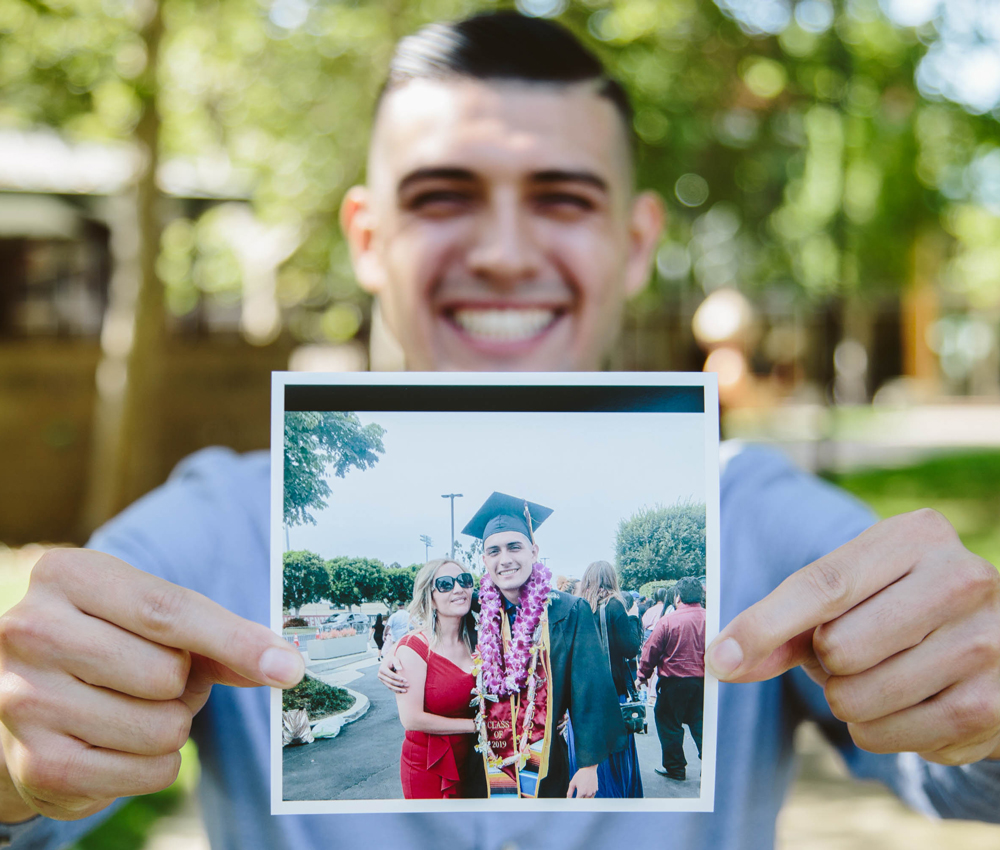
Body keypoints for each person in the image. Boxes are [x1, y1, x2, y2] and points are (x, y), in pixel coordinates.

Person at [0, 11, 997, 850]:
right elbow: (33, 806)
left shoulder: (762, 518)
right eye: (443, 196)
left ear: (637, 239)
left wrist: (979, 696)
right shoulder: (214, 525)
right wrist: (15, 759)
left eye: (562, 198)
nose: (506, 253)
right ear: (366, 237)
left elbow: (957, 780)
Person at [453, 492, 624, 799]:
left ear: (533, 551)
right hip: (485, 767)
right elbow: (436, 637)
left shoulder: (568, 611)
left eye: (514, 547)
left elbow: (592, 689)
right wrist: (396, 657)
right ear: (484, 560)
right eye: (494, 551)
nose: (504, 559)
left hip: (546, 764)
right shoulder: (477, 612)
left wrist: (589, 767)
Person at [393, 560, 478, 799]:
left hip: (472, 761)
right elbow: (411, 719)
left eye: (464, 581)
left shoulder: (478, 640)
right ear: (430, 598)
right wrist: (476, 726)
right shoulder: (414, 647)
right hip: (429, 766)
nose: (458, 589)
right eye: (445, 585)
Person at [577, 560, 644, 798]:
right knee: (616, 751)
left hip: (585, 694)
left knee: (591, 748)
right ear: (612, 579)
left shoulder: (580, 606)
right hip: (613, 692)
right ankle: (617, 796)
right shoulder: (615, 605)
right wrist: (634, 618)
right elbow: (630, 648)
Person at [638, 577, 707, 782]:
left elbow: (651, 650)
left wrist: (642, 675)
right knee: (700, 723)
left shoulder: (668, 621)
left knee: (669, 723)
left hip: (673, 683)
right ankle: (711, 765)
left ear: (677, 597)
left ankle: (676, 768)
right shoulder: (711, 618)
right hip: (704, 682)